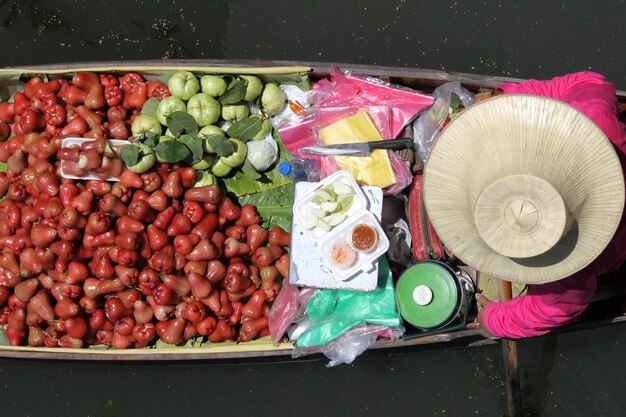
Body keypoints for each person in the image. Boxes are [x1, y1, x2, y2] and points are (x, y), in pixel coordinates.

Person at [422, 72, 626, 339]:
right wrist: (508, 97)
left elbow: (556, 311)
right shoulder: (591, 116)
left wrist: (490, 319)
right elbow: (591, 82)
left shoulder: (565, 277)